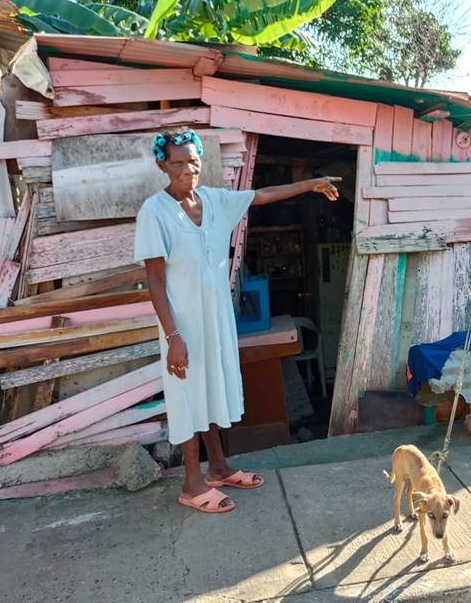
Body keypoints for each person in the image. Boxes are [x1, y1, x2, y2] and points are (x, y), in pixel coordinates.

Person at [134, 128, 340, 513]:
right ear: (162, 164)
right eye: (178, 162)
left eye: (193, 160)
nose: (187, 168)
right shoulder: (154, 212)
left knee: (210, 392)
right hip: (182, 327)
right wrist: (173, 336)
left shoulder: (214, 201)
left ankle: (218, 468)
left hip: (215, 321)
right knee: (188, 398)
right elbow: (156, 281)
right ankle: (191, 483)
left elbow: (261, 196)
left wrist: (310, 184)